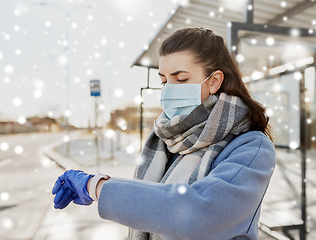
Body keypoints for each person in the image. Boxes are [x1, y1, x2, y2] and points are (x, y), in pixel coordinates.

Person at [52, 27, 276, 240]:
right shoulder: (165, 140)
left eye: (181, 79)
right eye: (164, 80)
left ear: (214, 81)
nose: (169, 89)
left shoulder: (252, 148)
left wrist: (97, 186)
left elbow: (197, 215)